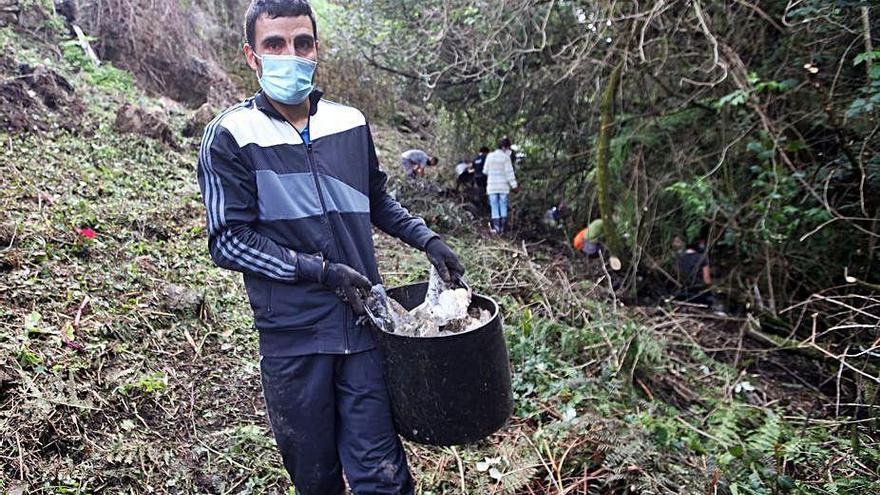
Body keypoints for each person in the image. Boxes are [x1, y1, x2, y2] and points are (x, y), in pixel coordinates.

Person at [196, 1, 464, 493]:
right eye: (274, 44)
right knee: (316, 479)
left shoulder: (349, 123)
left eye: (302, 43)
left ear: (316, 49)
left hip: (364, 325)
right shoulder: (230, 136)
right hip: (293, 338)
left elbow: (375, 198)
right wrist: (320, 271)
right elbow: (229, 241)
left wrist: (428, 240)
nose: (290, 54)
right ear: (252, 57)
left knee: (383, 476)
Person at [484, 138, 518, 233]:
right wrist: (514, 186)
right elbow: (509, 173)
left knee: (494, 207)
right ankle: (503, 228)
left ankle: (496, 228)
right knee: (503, 206)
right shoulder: (505, 158)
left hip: (492, 186)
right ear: (504, 147)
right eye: (508, 148)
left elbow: (485, 171)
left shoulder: (490, 156)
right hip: (503, 187)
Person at [675, 237, 714, 305]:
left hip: (682, 293)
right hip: (698, 294)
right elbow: (707, 279)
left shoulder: (679, 258)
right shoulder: (702, 257)